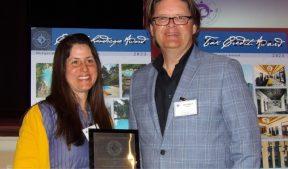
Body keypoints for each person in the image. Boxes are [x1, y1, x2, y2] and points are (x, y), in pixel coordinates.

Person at [129, 0, 261, 168]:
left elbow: (247, 147)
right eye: (162, 18)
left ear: (194, 26)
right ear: (152, 28)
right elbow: (136, 152)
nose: (171, 25)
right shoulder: (138, 80)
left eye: (180, 18)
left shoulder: (224, 70)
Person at [13, 33, 113, 168]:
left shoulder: (103, 117)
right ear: (62, 69)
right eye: (75, 62)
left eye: (89, 60)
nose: (84, 68)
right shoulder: (41, 115)